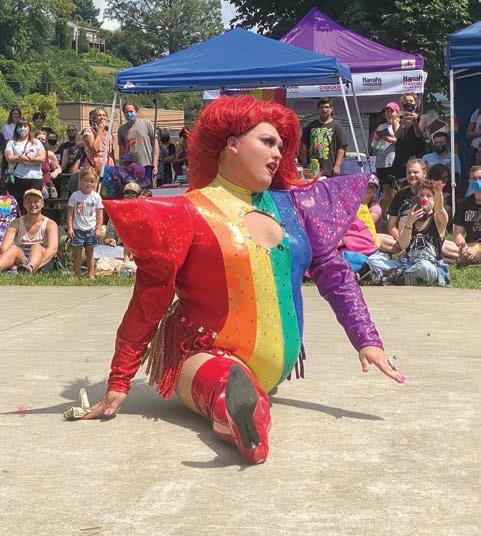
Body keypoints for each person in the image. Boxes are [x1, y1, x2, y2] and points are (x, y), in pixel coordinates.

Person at [81, 95, 405, 465]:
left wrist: (367, 339)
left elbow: (334, 274)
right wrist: (120, 379)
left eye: (281, 146)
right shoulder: (189, 212)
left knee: (238, 386)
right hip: (202, 357)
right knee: (224, 383)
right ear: (232, 143)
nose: (278, 153)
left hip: (272, 372)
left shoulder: (294, 207)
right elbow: (148, 301)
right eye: (267, 141)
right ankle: (242, 417)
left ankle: (244, 405)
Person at [368, 179, 450, 286]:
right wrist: (409, 222)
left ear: (434, 199)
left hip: (431, 266)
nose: (424, 199)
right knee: (373, 259)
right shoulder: (407, 218)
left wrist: (438, 192)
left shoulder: (438, 219)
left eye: (429, 196)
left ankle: (390, 276)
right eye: (421, 195)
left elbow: (440, 209)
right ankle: (404, 278)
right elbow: (403, 244)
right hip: (408, 264)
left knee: (424, 266)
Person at [0, 188, 58, 273]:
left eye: (36, 201)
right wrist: (11, 262)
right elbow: (4, 247)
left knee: (36, 246)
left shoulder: (50, 224)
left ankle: (31, 267)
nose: (33, 204)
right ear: (24, 204)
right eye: (29, 202)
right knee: (13, 248)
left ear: (42, 204)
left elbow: (52, 249)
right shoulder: (16, 223)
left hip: (41, 260)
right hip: (21, 259)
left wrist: (38, 266)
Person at [67, 167, 104, 279]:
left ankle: (90, 274)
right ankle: (77, 274)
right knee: (77, 254)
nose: (89, 184)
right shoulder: (75, 195)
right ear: (80, 181)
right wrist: (70, 227)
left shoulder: (96, 197)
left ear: (95, 183)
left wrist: (98, 228)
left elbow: (100, 214)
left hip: (91, 230)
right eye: (86, 180)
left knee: (90, 253)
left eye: (92, 181)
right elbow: (70, 213)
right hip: (78, 230)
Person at [299, 97, 348, 176]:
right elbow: (303, 145)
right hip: (312, 169)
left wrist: (337, 165)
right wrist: (303, 164)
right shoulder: (310, 126)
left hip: (330, 170)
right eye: (321, 107)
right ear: (318, 109)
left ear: (331, 109)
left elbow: (342, 147)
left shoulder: (337, 126)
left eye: (326, 107)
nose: (324, 109)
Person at [3, 119, 45, 209]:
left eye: (25, 126)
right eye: (20, 126)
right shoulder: (11, 143)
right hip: (17, 179)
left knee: (33, 205)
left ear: (29, 128)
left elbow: (42, 158)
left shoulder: (36, 142)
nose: (22, 128)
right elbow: (9, 158)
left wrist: (31, 159)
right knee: (17, 206)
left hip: (34, 179)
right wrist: (19, 158)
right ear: (16, 129)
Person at [117, 102, 159, 185]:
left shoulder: (147, 124)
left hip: (146, 165)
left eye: (131, 111)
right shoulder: (121, 129)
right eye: (126, 112)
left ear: (136, 112)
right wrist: (122, 166)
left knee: (146, 189)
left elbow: (155, 145)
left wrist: (155, 165)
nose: (129, 114)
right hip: (130, 167)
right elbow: (121, 149)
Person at [387, 157, 427, 242]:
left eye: (415, 172)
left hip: (427, 239)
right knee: (379, 239)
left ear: (424, 173)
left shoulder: (432, 193)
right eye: (409, 173)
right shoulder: (400, 195)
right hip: (404, 237)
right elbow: (391, 225)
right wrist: (400, 239)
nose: (412, 175)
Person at [371, 102, 400, 215]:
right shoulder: (381, 127)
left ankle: (394, 214)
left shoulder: (400, 125)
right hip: (381, 162)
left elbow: (403, 142)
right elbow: (374, 145)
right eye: (387, 112)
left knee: (394, 190)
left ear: (397, 112)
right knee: (386, 191)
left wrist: (393, 140)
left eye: (391, 111)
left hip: (393, 162)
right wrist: (378, 139)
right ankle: (384, 216)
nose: (389, 114)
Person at [390, 93, 426, 182]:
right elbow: (397, 135)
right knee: (400, 181)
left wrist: (415, 123)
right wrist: (403, 122)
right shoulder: (397, 118)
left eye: (411, 101)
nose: (409, 103)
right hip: (401, 154)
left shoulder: (422, 117)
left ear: (415, 104)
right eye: (406, 101)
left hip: (416, 152)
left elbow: (419, 134)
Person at [453, 165, 481, 264]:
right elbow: (458, 232)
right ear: (469, 181)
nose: (477, 181)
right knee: (442, 245)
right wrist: (462, 245)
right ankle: (468, 255)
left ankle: (461, 257)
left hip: (477, 247)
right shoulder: (463, 203)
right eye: (474, 179)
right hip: (468, 244)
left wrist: (476, 248)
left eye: (480, 178)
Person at [80, 107, 114, 174]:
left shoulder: (108, 134)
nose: (102, 117)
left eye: (104, 115)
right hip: (93, 167)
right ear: (94, 118)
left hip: (107, 166)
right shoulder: (88, 131)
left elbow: (110, 153)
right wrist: (100, 130)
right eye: (99, 115)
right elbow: (95, 149)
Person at [35, 131, 61, 198]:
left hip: (45, 188)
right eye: (38, 139)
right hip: (33, 187)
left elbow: (59, 168)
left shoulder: (49, 154)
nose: (40, 141)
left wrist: (55, 172)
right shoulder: (30, 154)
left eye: (43, 139)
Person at [1, 107, 22, 175]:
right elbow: (5, 140)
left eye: (17, 114)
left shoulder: (22, 126)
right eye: (14, 114)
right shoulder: (6, 127)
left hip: (21, 150)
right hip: (10, 150)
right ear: (11, 115)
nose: (16, 115)